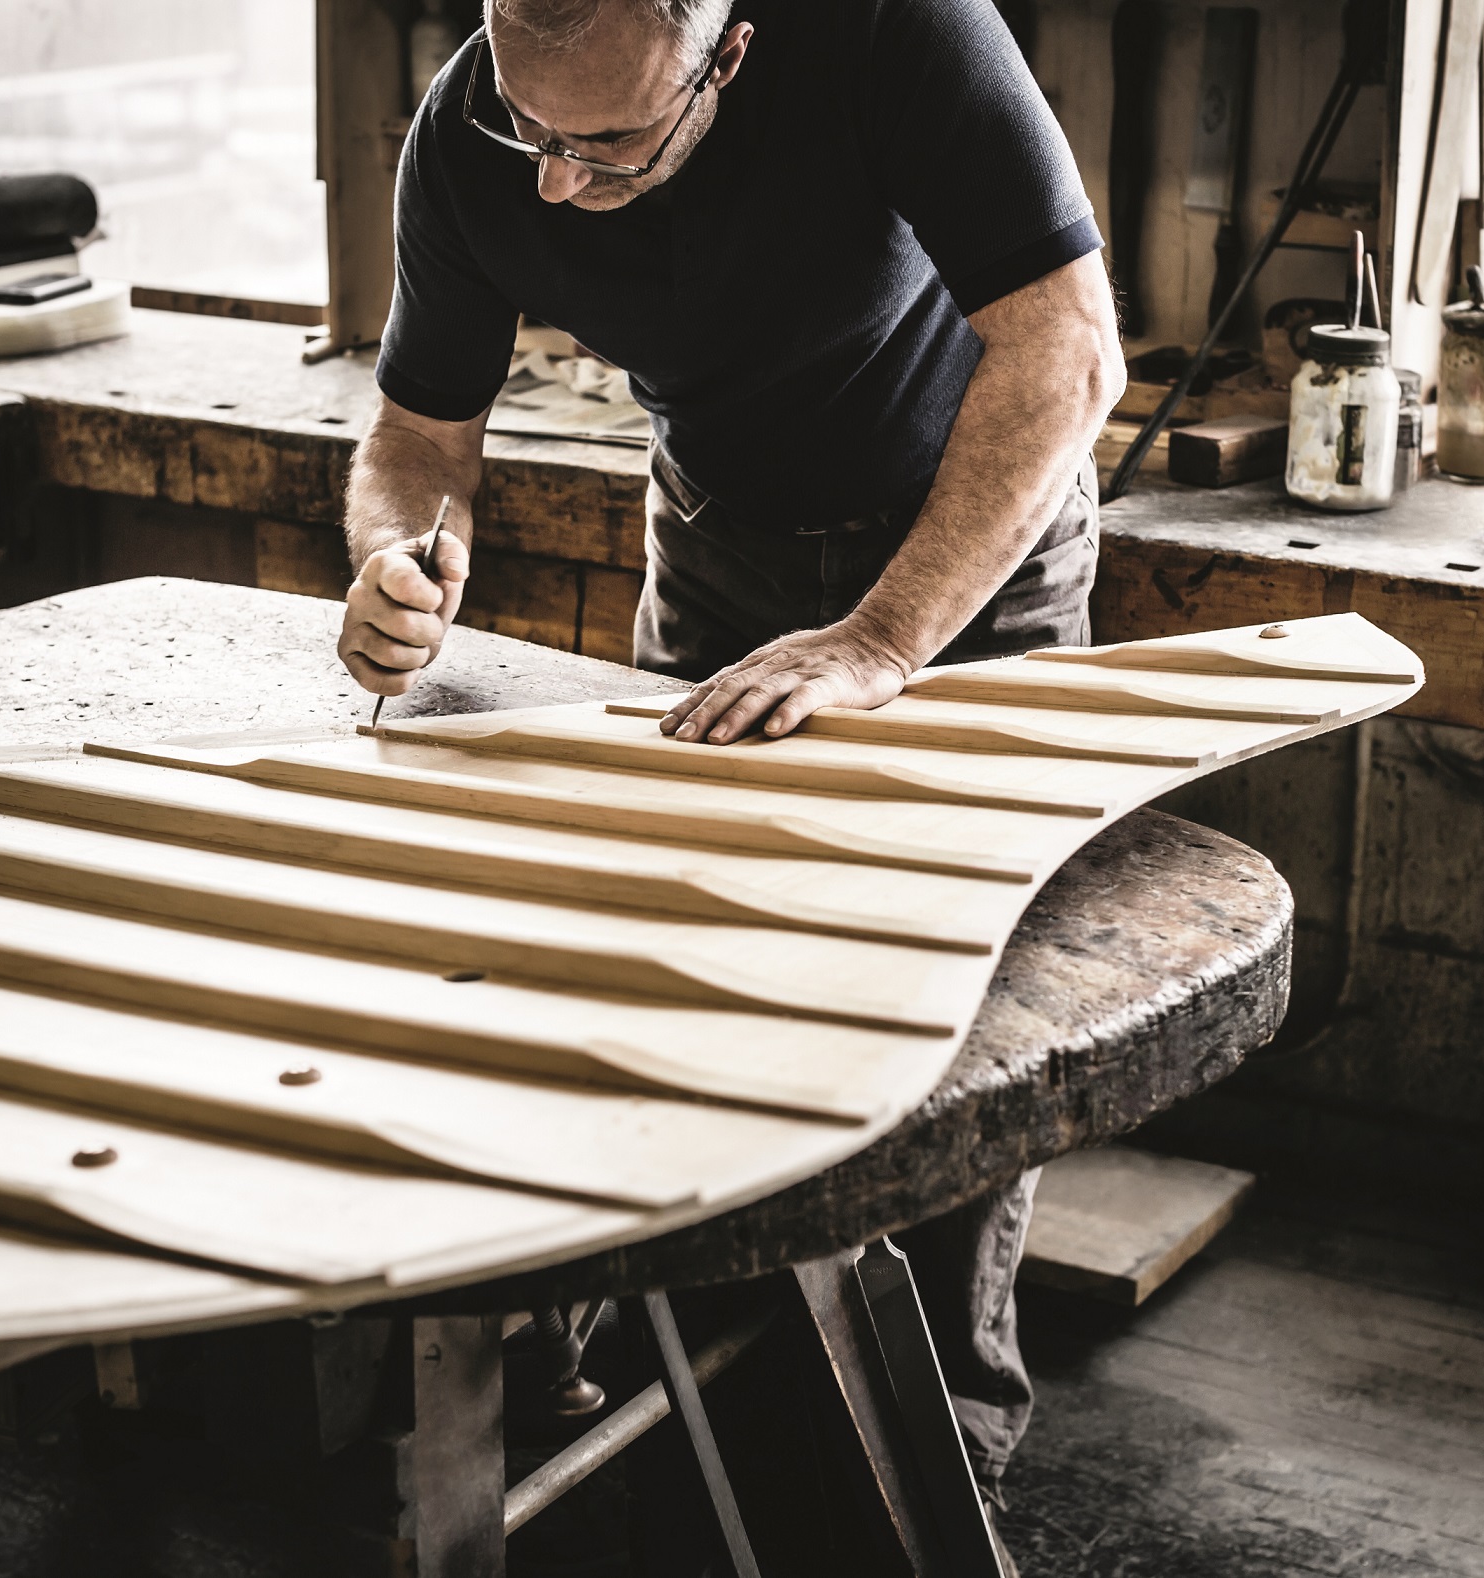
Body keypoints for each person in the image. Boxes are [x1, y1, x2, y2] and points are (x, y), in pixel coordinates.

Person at [333, 0, 1125, 1533]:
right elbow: (419, 430)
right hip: (721, 539)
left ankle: (942, 1424)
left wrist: (887, 636)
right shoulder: (464, 132)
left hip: (958, 543)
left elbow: (1066, 347)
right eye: (532, 133)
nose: (554, 184)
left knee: (957, 993)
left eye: (610, 145)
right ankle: (661, 1336)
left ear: (730, 50)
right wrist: (390, 559)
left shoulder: (902, 36)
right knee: (678, 933)